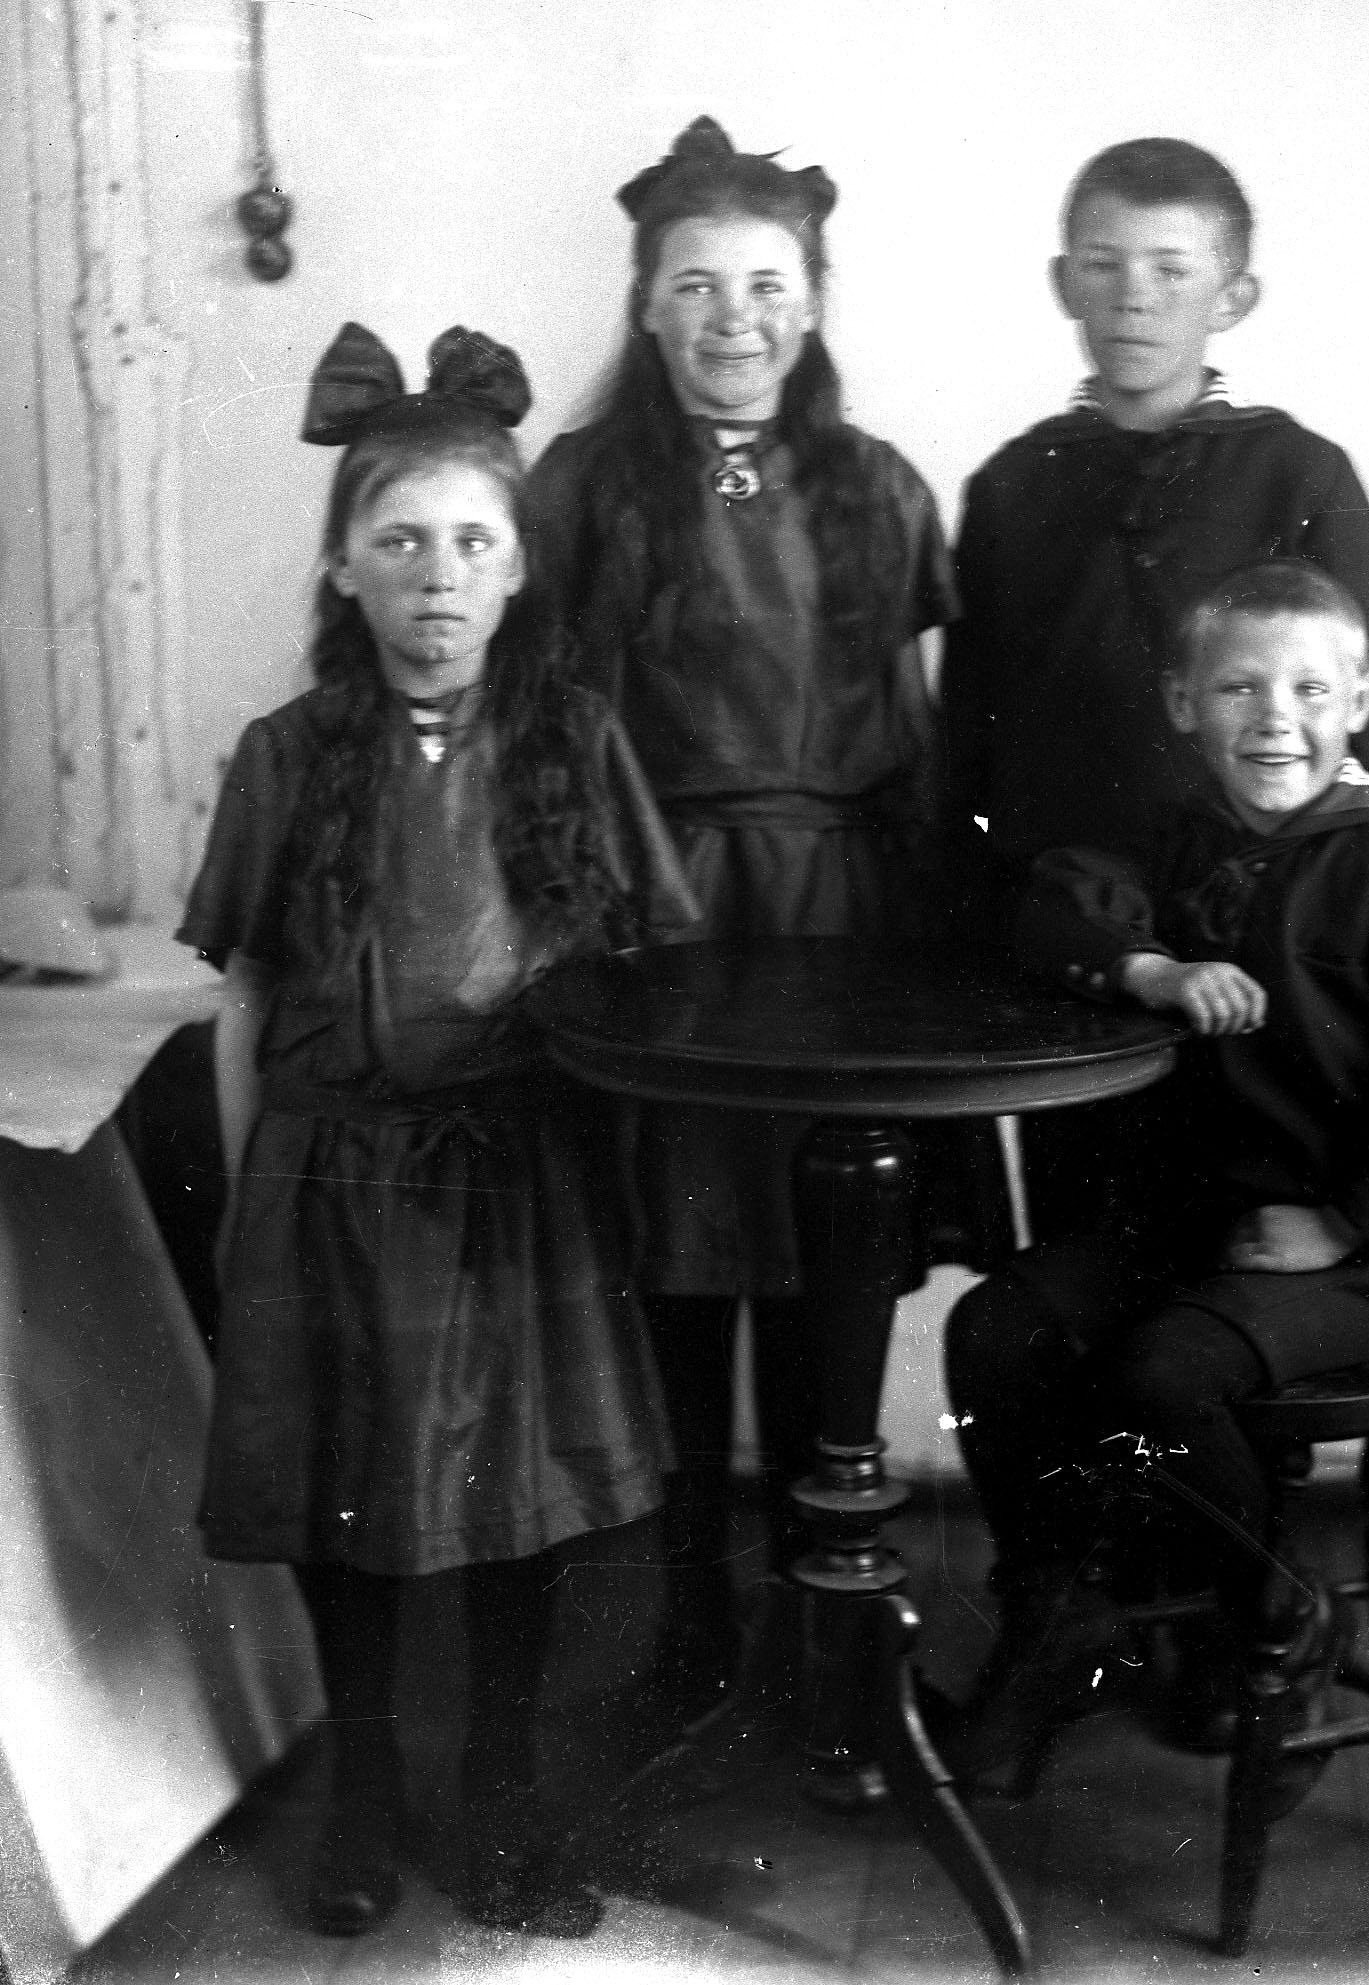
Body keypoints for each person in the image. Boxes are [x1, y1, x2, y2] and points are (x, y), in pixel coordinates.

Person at [177, 323, 698, 1938]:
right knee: (350, 1514)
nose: (437, 578)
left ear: (519, 567)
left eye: (473, 541)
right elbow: (249, 999)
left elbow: (644, 983)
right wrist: (248, 1201)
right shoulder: (285, 758)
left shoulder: (572, 742)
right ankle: (362, 1794)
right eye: (398, 542)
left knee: (511, 1511)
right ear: (342, 568)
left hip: (515, 1179)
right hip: (329, 1178)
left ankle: (500, 1798)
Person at [938, 561, 1369, 1796]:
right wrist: (1145, 967)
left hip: (1359, 1255)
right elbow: (1051, 907)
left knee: (1163, 1372)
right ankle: (1060, 1610)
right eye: (1237, 688)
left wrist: (1341, 1222)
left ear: (1360, 700)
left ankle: (1277, 1614)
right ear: (1180, 703)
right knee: (995, 1328)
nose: (1273, 719)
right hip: (1192, 1226)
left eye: (1308, 689)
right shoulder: (1178, 838)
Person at [527, 116, 964, 1720]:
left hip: (840, 919)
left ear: (813, 301)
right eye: (697, 286)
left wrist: (935, 944)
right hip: (660, 915)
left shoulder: (877, 487)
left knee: (819, 1265)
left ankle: (823, 1615)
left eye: (768, 285)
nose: (735, 319)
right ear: (646, 305)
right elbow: (545, 728)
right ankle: (689, 1615)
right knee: (677, 1270)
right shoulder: (582, 488)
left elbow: (915, 735)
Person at [942, 136, 1369, 1241]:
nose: (1133, 297)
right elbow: (967, 739)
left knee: (1235, 1246)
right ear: (1062, 282)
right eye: (1102, 265)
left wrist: (1309, 926)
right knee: (1083, 1247)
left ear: (1232, 297)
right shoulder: (1011, 485)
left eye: (1170, 269)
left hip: (1260, 949)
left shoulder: (1296, 473)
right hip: (1076, 951)